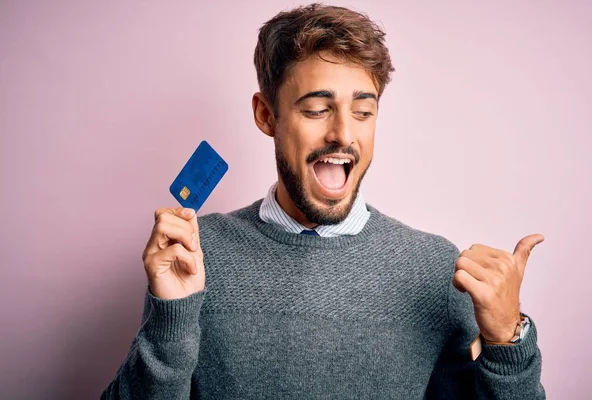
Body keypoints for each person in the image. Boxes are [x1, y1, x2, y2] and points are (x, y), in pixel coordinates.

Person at [102, 3, 545, 399]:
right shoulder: (198, 256)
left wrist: (508, 339)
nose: (344, 134)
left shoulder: (436, 270)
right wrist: (171, 320)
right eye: (317, 109)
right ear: (266, 115)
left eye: (363, 111)